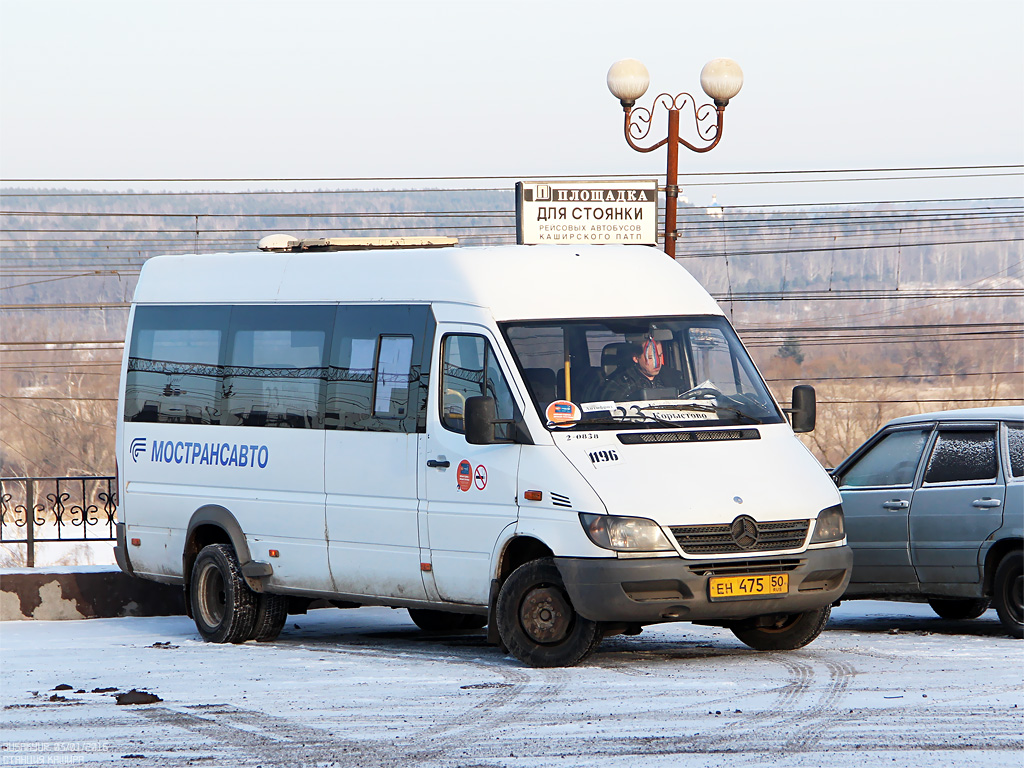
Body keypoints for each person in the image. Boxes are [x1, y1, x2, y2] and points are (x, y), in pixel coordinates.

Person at [600, 337, 684, 401]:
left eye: (659, 356)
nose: (657, 363)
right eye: (650, 358)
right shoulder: (621, 383)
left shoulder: (673, 377)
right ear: (636, 358)